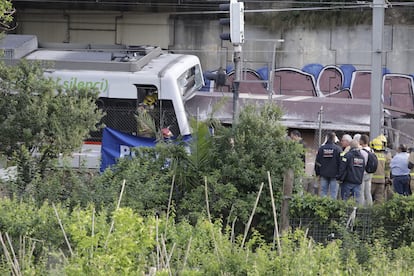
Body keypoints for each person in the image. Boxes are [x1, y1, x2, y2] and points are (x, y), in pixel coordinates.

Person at [314, 132, 342, 199]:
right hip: (335, 175)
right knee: (333, 194)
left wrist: (317, 173)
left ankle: (323, 208)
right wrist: (340, 175)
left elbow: (317, 162)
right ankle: (332, 208)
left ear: (327, 138)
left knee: (323, 192)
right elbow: (341, 163)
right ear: (334, 139)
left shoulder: (321, 149)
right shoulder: (338, 149)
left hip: (323, 173)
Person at [337, 140, 365, 204]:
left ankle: (345, 213)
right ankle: (356, 213)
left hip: (348, 181)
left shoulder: (347, 155)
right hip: (358, 182)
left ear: (350, 146)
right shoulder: (362, 157)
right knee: (357, 201)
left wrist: (339, 178)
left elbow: (342, 168)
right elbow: (363, 169)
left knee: (345, 200)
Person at [370, 136, 392, 204]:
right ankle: (377, 213)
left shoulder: (371, 156)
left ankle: (367, 213)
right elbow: (387, 169)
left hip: (371, 181)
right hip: (382, 181)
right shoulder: (385, 156)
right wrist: (387, 178)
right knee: (379, 200)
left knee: (368, 197)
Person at [359, 134, 373, 206]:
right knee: (368, 192)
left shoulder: (361, 152)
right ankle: (370, 207)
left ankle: (361, 208)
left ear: (361, 141)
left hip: (362, 173)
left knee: (361, 192)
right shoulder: (371, 150)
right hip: (369, 173)